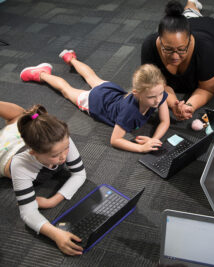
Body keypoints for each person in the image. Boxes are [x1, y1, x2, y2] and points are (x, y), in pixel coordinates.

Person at [20, 51, 170, 153]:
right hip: (96, 102)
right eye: (151, 97)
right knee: (67, 90)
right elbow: (115, 140)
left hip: (112, 91)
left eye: (160, 94)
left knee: (92, 77)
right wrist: (141, 148)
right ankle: (41, 73)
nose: (158, 100)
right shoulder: (129, 112)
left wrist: (153, 140)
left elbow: (165, 121)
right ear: (136, 93)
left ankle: (70, 58)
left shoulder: (158, 93)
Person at [0, 102, 86, 255]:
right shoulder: (20, 165)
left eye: (66, 148)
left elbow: (80, 174)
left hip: (21, 136)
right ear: (33, 153)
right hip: (4, 153)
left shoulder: (60, 139)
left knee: (21, 115)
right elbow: (27, 213)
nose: (64, 156)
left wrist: (53, 200)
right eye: (55, 155)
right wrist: (56, 234)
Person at [141, 0, 214, 120]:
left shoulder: (207, 51)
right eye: (168, 49)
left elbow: (206, 89)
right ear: (159, 40)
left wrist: (190, 106)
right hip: (190, 23)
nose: (175, 56)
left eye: (181, 50)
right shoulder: (150, 45)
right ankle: (193, 3)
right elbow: (158, 84)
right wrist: (174, 104)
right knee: (188, 10)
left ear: (190, 40)